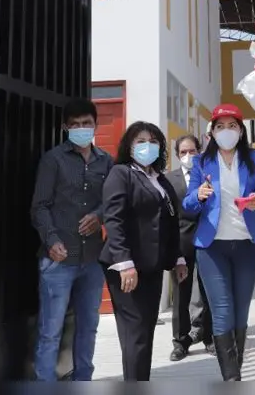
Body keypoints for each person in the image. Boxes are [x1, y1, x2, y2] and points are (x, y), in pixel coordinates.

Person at [182, 104, 255, 381]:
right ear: (211, 131)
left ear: (241, 130)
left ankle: (236, 371)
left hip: (246, 244)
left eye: (232, 125)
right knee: (222, 310)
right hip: (213, 247)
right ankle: (232, 379)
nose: (226, 131)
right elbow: (187, 203)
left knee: (241, 311)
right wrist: (198, 194)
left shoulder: (254, 158)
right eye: (220, 126)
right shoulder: (201, 162)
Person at [29, 98, 113, 382]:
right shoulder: (53, 160)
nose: (81, 128)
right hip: (58, 259)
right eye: (75, 124)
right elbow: (39, 206)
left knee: (88, 327)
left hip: (92, 260)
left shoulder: (106, 162)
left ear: (94, 125)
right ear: (65, 127)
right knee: (50, 331)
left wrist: (99, 216)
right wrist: (51, 240)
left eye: (86, 123)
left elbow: (112, 202)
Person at [100, 121, 187, 381]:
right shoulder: (121, 174)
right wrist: (124, 263)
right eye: (140, 141)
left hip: (152, 267)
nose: (146, 146)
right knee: (135, 334)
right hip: (126, 268)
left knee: (145, 331)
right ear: (129, 146)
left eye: (153, 141)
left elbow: (171, 222)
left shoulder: (160, 179)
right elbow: (113, 220)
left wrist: (178, 258)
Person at [165, 134, 215, 361]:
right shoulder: (170, 179)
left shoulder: (209, 175)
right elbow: (168, 217)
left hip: (207, 240)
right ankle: (180, 341)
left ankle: (209, 337)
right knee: (181, 295)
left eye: (192, 151)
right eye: (183, 152)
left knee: (208, 292)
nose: (188, 156)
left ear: (200, 151)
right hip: (180, 243)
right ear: (177, 155)